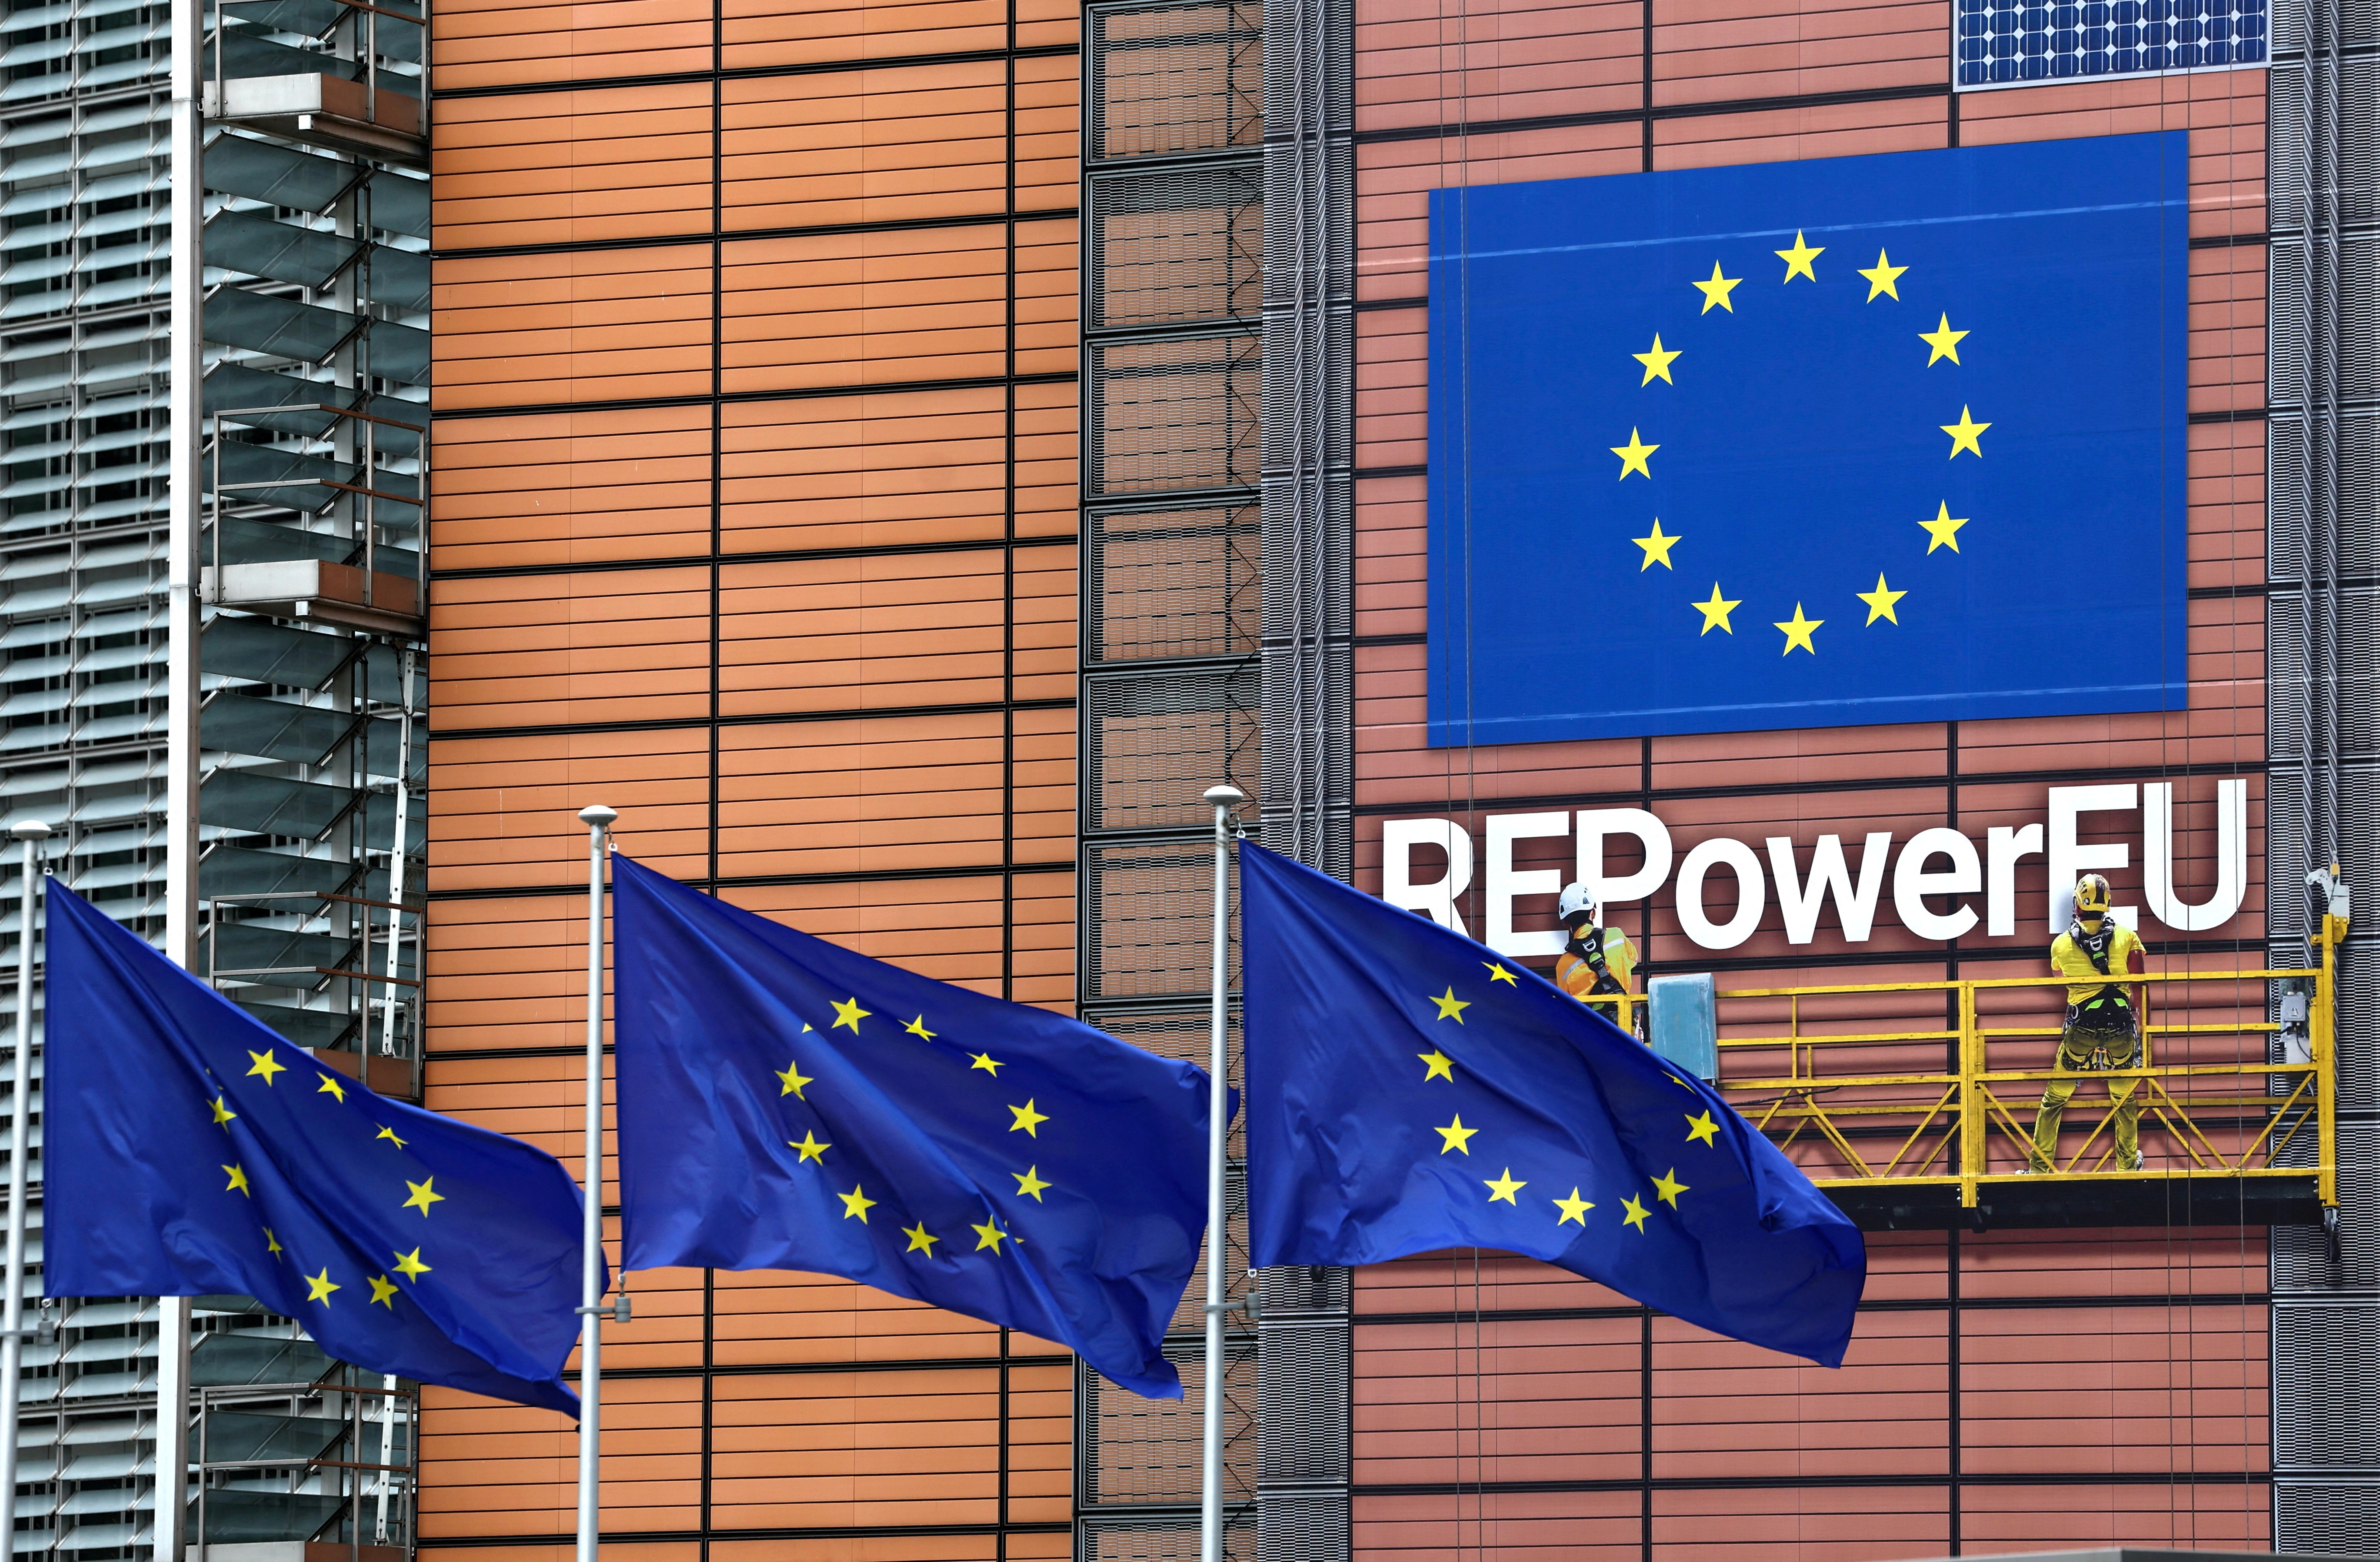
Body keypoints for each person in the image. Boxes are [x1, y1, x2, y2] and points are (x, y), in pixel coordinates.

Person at [2027, 873, 2147, 1174]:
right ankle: (2127, 1165)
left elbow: (2064, 983)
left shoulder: (2060, 945)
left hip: (2081, 1031)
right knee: (2124, 1098)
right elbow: (2140, 985)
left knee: (2054, 1098)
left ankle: (2039, 1169)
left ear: (2077, 904)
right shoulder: (2127, 937)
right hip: (2121, 1029)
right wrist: (2143, 1027)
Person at [1554, 882, 1639, 1032]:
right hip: (1623, 1028)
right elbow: (1633, 960)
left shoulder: (1564, 965)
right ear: (1593, 912)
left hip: (1590, 1034)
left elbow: (1566, 1006)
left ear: (1565, 923)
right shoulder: (1616, 937)